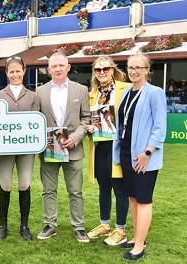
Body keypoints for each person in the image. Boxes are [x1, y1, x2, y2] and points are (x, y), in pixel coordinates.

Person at [113, 54, 166, 261]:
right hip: (128, 154)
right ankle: (136, 238)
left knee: (143, 199)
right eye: (130, 67)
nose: (133, 71)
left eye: (138, 67)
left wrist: (147, 153)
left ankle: (140, 246)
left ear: (147, 69)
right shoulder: (127, 92)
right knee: (133, 198)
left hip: (144, 157)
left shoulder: (155, 93)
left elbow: (160, 128)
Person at [35, 52, 91, 242]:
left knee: (75, 191)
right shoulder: (39, 91)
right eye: (54, 66)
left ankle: (79, 227)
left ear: (68, 67)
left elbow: (86, 118)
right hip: (50, 150)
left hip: (73, 149)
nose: (58, 69)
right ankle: (50, 225)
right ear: (48, 69)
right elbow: (36, 120)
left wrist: (75, 138)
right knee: (48, 190)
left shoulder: (81, 90)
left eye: (61, 65)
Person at [0, 56, 40, 241]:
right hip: (4, 149)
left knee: (24, 185)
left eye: (17, 71)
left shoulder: (33, 96)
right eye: (11, 71)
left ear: (24, 71)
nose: (15, 74)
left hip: (26, 150)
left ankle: (24, 225)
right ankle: (2, 225)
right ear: (7, 73)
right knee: (5, 185)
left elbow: (36, 122)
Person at [86, 56, 131, 245]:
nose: (102, 72)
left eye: (105, 69)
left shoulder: (126, 89)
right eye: (98, 70)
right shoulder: (92, 94)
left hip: (118, 145)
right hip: (99, 146)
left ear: (112, 70)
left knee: (120, 188)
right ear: (94, 73)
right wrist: (89, 127)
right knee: (104, 187)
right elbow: (90, 118)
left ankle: (120, 229)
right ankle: (105, 225)